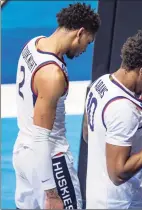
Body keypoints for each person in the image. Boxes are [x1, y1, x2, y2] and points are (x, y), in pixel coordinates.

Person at [12, 3, 100, 209]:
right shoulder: (52, 75)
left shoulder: (34, 44)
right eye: (87, 42)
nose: (85, 49)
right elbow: (41, 136)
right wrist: (51, 192)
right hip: (50, 161)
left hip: (22, 153)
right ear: (80, 33)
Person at [83, 30, 142, 209]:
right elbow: (117, 174)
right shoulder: (123, 109)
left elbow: (89, 135)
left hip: (114, 198)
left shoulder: (101, 83)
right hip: (118, 204)